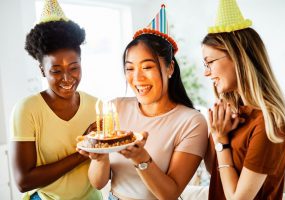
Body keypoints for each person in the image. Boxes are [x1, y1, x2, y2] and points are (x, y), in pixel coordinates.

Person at [78, 5, 208, 200]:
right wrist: (100, 157)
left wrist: (140, 158)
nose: (137, 78)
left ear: (170, 68)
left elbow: (170, 194)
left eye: (147, 67)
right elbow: (98, 183)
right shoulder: (116, 109)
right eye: (130, 69)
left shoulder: (192, 122)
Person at [202, 0, 285, 199]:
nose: (206, 72)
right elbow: (219, 173)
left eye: (209, 62)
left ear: (238, 57)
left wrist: (221, 141)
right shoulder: (235, 113)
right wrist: (215, 133)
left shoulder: (269, 122)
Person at [10, 0, 102, 199]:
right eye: (56, 71)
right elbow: (23, 181)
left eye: (74, 68)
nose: (67, 79)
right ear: (42, 70)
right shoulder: (27, 109)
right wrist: (82, 151)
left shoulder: (97, 106)